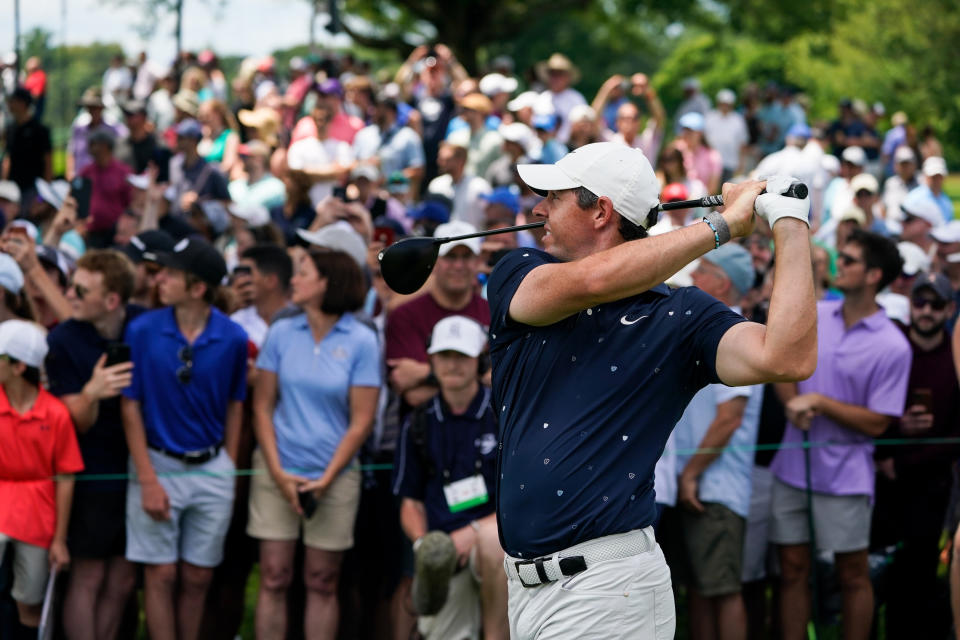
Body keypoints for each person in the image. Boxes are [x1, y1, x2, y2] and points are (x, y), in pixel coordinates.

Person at [487, 142, 816, 638]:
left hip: (609, 587)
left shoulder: (682, 316)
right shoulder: (519, 273)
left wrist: (789, 223)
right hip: (524, 589)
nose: (537, 210)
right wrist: (720, 225)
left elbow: (786, 357)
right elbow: (594, 282)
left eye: (552, 197)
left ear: (600, 210)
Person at [769, 229, 911, 640]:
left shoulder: (893, 344)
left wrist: (818, 403)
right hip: (792, 465)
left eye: (848, 261)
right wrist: (792, 402)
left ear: (873, 275)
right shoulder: (815, 312)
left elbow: (879, 423)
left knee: (853, 575)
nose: (839, 266)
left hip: (847, 476)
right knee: (792, 568)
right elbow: (781, 361)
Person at [248, 248, 380, 639]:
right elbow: (262, 406)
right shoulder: (282, 331)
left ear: (327, 283)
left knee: (322, 580)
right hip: (278, 469)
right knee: (273, 575)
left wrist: (325, 478)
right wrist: (277, 472)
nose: (293, 279)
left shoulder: (361, 340)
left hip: (335, 477)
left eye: (302, 272)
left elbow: (361, 421)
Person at [121, 237, 247, 640]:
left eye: (172, 274)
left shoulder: (232, 338)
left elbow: (235, 404)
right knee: (160, 574)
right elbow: (130, 406)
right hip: (156, 463)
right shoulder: (141, 330)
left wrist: (225, 463)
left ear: (198, 288)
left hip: (211, 467)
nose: (161, 279)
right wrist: (147, 479)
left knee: (197, 576)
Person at [45, 250, 143, 640]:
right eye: (71, 286)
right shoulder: (63, 340)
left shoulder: (141, 324)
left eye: (81, 290)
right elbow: (73, 422)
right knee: (89, 574)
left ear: (112, 300)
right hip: (90, 471)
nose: (69, 295)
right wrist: (92, 393)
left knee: (121, 578)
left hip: (140, 467)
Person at [392, 315, 507, 640]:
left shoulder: (502, 415)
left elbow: (522, 499)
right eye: (445, 355)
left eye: (462, 356)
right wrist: (425, 547)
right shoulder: (418, 422)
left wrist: (472, 533)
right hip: (444, 552)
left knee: (491, 548)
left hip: (498, 544)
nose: (452, 365)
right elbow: (410, 501)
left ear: (479, 360)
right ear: (431, 360)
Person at [673, 243, 763, 640]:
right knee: (701, 591)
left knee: (723, 591)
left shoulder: (735, 334)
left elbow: (730, 417)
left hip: (716, 489)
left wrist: (691, 474)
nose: (694, 277)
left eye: (703, 270)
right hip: (699, 487)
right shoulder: (718, 328)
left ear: (722, 283)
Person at [876, 272, 958, 639]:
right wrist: (897, 430)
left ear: (949, 309)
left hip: (933, 484)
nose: (925, 311)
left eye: (935, 304)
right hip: (884, 480)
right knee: (878, 576)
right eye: (919, 302)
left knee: (922, 577)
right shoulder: (893, 347)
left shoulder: (954, 358)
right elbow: (872, 409)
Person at [0, 319, 83, 637]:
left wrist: (59, 540)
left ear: (20, 367)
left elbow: (66, 477)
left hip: (37, 516)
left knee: (30, 602)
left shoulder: (56, 414)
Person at [386, 220, 490, 410]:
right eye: (450, 256)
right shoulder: (405, 316)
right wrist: (481, 376)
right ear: (433, 262)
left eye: (466, 256)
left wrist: (424, 374)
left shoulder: (493, 313)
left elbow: (505, 382)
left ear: (477, 262)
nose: (459, 265)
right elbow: (412, 394)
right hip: (421, 434)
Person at [229, 244, 293, 348]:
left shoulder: (304, 321)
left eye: (248, 273)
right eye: (240, 274)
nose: (241, 280)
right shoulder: (236, 322)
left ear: (271, 281)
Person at [80, 129, 133, 248]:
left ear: (106, 146)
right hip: (91, 233)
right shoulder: (86, 172)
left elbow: (129, 202)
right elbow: (80, 200)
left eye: (95, 144)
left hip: (115, 233)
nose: (91, 149)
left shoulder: (123, 172)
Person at [1, 87, 52, 212]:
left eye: (12, 101)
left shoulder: (39, 130)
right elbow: (8, 157)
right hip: (13, 188)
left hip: (33, 189)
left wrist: (43, 196)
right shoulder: (10, 129)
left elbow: (48, 162)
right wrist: (4, 184)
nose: (10, 105)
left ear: (22, 103)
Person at [426, 141, 491, 229]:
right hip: (443, 239)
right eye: (440, 159)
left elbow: (486, 218)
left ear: (461, 161)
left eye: (447, 159)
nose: (440, 162)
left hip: (472, 239)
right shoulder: (436, 185)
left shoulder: (479, 186)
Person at [536, 53, 586, 145]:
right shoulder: (542, 99)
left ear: (567, 77)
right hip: (544, 148)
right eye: (552, 74)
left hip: (570, 148)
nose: (555, 78)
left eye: (559, 74)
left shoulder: (576, 99)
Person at [705, 89, 749, 182]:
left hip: (731, 162)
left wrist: (741, 163)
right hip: (711, 162)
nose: (725, 106)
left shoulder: (738, 120)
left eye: (727, 104)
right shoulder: (710, 117)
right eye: (723, 103)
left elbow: (743, 143)